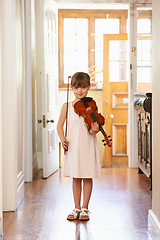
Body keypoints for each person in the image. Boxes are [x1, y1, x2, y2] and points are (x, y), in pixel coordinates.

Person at [57, 72, 102, 221]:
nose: (80, 91)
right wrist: (63, 139)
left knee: (87, 177)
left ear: (88, 87)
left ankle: (85, 209)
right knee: (76, 177)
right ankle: (76, 207)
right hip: (74, 146)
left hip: (87, 145)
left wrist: (95, 129)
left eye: (83, 87)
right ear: (72, 88)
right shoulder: (67, 106)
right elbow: (59, 126)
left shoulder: (91, 106)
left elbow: (91, 129)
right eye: (76, 88)